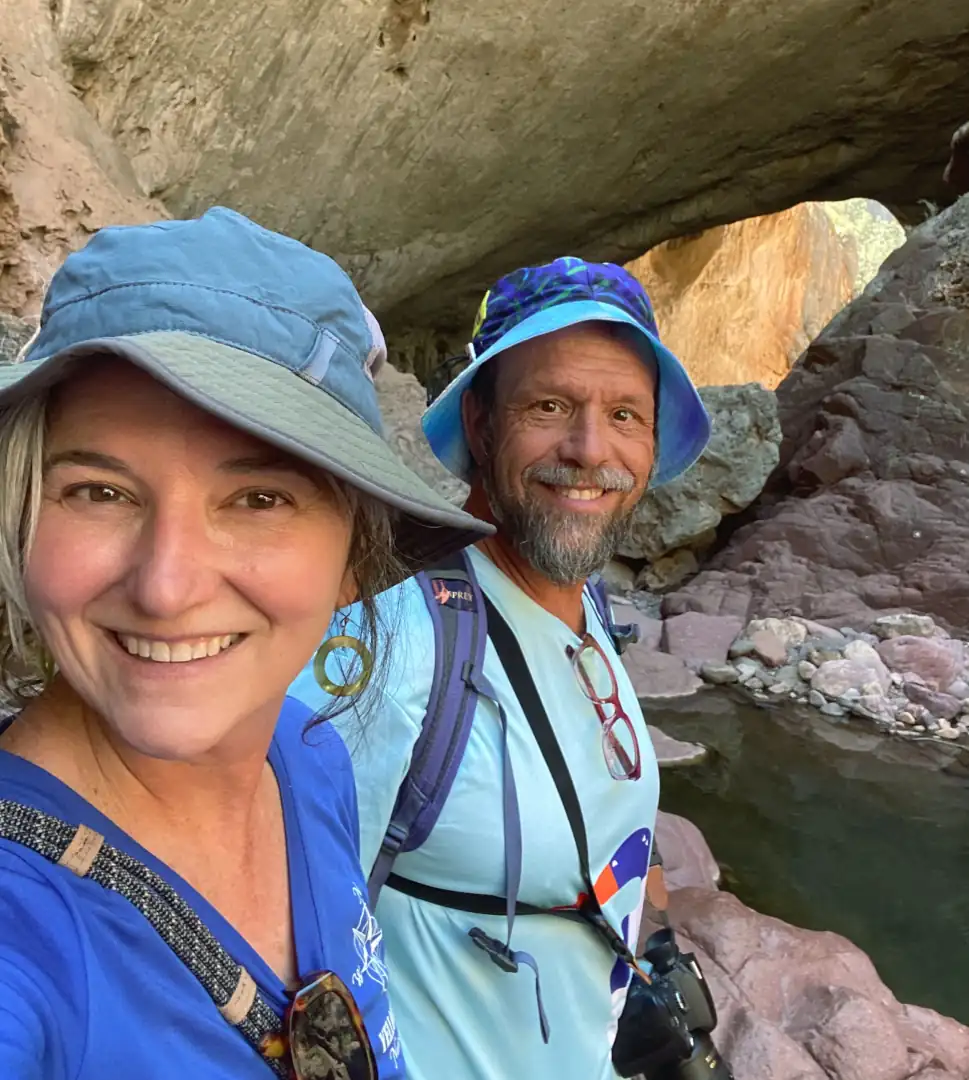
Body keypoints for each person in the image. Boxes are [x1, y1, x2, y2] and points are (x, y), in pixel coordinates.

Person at [0, 207, 490, 1079]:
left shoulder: (306, 760)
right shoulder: (21, 937)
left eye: (259, 499)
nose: (165, 585)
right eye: (98, 493)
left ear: (354, 559)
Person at [289, 257, 712, 1080]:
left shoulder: (586, 605)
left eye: (625, 413)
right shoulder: (394, 645)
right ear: (480, 425)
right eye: (549, 405)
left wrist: (655, 953)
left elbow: (607, 823)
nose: (591, 450)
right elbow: (288, 943)